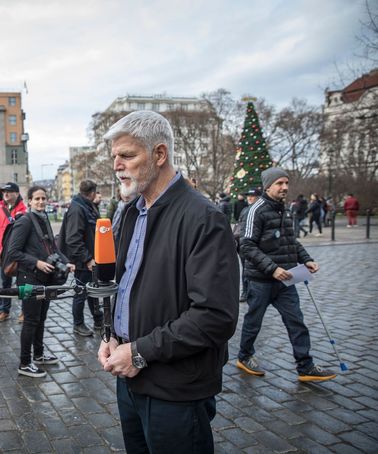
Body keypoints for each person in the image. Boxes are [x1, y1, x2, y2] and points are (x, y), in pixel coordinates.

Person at [97, 111, 239, 454]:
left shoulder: (204, 218)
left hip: (176, 389)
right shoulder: (132, 211)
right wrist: (113, 334)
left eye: (128, 156)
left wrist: (140, 352)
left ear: (159, 155)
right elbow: (131, 286)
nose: (117, 165)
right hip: (130, 378)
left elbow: (215, 317)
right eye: (115, 156)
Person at [237, 167, 336, 383]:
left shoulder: (286, 210)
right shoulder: (256, 210)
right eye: (279, 183)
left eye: (286, 183)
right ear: (268, 186)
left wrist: (306, 259)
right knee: (254, 322)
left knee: (296, 322)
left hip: (287, 280)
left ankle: (305, 366)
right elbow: (246, 246)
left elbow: (291, 242)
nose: (284, 187)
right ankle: (244, 356)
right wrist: (272, 268)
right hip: (261, 281)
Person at [5, 186, 74, 378]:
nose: (41, 202)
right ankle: (25, 362)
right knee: (31, 320)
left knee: (41, 318)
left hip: (44, 279)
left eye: (43, 198)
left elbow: (53, 248)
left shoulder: (44, 219)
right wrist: (37, 263)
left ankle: (39, 354)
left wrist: (67, 262)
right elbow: (13, 252)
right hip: (29, 278)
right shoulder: (25, 221)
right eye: (37, 199)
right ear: (29, 201)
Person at [59, 180, 104, 337]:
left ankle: (98, 321)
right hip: (83, 261)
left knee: (92, 292)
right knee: (81, 293)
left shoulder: (85, 205)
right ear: (92, 193)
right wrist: (87, 259)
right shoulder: (78, 208)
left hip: (89, 258)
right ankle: (78, 324)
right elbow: (73, 239)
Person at [0, 182, 27, 322]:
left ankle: (24, 311)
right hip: (3, 254)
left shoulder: (24, 211)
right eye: (4, 191)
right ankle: (5, 311)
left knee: (22, 284)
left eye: (9, 191)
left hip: (21, 254)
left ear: (16, 193)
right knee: (5, 284)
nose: (5, 194)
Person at [237, 188, 261, 302]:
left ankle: (252, 292)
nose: (250, 198)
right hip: (243, 244)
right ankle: (245, 291)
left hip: (256, 245)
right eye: (248, 196)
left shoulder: (259, 210)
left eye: (253, 196)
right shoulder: (245, 210)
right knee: (245, 269)